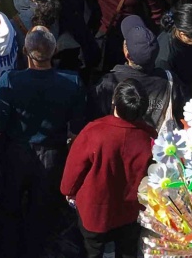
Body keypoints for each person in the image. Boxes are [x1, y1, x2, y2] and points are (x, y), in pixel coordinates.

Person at [60, 77, 154, 258]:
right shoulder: (148, 137)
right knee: (127, 251)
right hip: (130, 213)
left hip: (95, 213)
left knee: (92, 251)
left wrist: (68, 190)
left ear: (114, 102)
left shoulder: (94, 131)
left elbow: (73, 171)